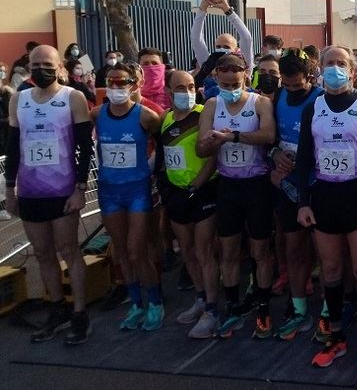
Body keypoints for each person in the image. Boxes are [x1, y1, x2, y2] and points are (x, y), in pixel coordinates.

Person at [294, 45, 357, 372]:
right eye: (329, 63)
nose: (334, 69)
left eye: (341, 64)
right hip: (325, 197)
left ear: (352, 70)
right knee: (330, 271)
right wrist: (303, 202)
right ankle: (335, 336)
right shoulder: (313, 107)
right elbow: (304, 158)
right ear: (320, 68)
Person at [4, 45, 94, 345]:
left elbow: (84, 148)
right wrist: (10, 189)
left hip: (63, 190)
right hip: (30, 191)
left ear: (60, 67)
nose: (41, 68)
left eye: (47, 64)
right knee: (42, 254)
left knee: (69, 251)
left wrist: (80, 188)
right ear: (28, 66)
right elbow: (13, 146)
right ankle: (57, 309)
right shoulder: (20, 99)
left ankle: (80, 314)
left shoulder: (73, 98)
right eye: (36, 64)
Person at [196, 53, 276, 339]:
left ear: (245, 75)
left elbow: (268, 135)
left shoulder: (260, 103)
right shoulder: (212, 105)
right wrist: (211, 141)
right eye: (225, 79)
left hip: (257, 185)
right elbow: (201, 150)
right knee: (228, 251)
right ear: (217, 77)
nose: (231, 83)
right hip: (228, 186)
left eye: (236, 77)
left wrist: (233, 137)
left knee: (260, 251)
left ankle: (264, 307)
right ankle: (232, 305)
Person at [91, 62, 163, 331]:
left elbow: (165, 144)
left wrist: (159, 179)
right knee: (120, 250)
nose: (116, 87)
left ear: (134, 85)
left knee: (137, 250)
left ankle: (155, 302)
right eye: (111, 82)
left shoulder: (146, 116)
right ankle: (136, 304)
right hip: (109, 190)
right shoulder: (97, 114)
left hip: (137, 189)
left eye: (122, 82)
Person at [156, 70, 219, 339]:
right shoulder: (165, 119)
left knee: (204, 251)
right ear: (169, 91)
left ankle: (213, 310)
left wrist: (197, 185)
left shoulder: (205, 113)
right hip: (176, 194)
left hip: (204, 191)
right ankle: (201, 298)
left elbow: (214, 157)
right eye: (180, 87)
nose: (187, 91)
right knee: (188, 251)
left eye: (191, 86)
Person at [268, 48, 324, 341]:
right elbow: (270, 137)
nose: (291, 90)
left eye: (296, 85)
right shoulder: (277, 98)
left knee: (326, 254)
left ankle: (329, 310)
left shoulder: (320, 101)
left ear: (310, 77)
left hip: (318, 185)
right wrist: (276, 154)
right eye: (286, 84)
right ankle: (299, 306)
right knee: (293, 249)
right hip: (288, 185)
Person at [191, 0, 254, 72]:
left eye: (227, 47)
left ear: (236, 49)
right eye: (218, 47)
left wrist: (227, 10)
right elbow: (196, 39)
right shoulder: (209, 65)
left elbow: (246, 38)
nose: (221, 49)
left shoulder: (243, 66)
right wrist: (202, 9)